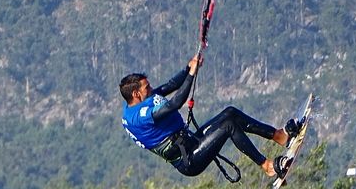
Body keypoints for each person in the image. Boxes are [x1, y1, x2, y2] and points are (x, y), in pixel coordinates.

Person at [120, 55, 301, 178]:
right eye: (147, 88)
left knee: (230, 112)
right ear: (136, 94)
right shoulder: (139, 116)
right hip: (189, 159)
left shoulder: (140, 101)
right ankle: (267, 166)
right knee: (229, 125)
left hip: (192, 141)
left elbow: (168, 86)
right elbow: (175, 103)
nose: (151, 89)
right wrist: (191, 75)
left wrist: (188, 68)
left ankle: (279, 136)